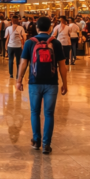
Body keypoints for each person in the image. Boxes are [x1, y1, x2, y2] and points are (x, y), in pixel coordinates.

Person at [16, 16, 68, 154]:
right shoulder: (55, 43)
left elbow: (23, 63)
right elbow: (62, 66)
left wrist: (18, 80)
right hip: (52, 83)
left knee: (35, 112)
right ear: (50, 28)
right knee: (49, 114)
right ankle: (46, 144)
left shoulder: (29, 43)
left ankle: (36, 140)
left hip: (34, 82)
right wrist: (65, 83)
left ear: (37, 28)